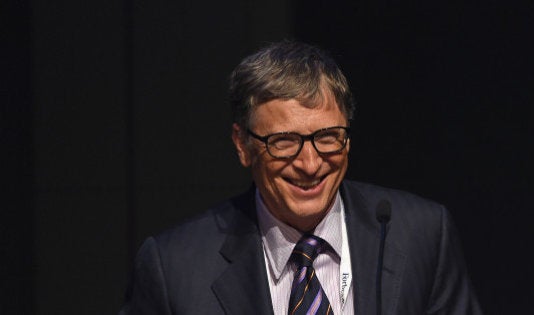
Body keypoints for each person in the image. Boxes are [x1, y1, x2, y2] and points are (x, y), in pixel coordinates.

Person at [120, 41, 483, 314]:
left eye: (327, 138)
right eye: (284, 142)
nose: (310, 164)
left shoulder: (421, 234)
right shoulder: (175, 270)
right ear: (243, 145)